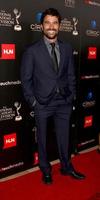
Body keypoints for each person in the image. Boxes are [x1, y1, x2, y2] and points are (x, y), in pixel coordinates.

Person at [21, 8, 85, 184]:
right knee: (42, 139)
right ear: (42, 26)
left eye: (55, 23)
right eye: (47, 23)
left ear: (59, 26)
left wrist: (71, 95)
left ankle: (66, 167)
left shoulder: (66, 48)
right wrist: (33, 101)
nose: (51, 26)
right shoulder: (32, 51)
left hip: (63, 101)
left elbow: (71, 75)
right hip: (42, 103)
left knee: (64, 137)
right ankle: (46, 170)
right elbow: (26, 80)